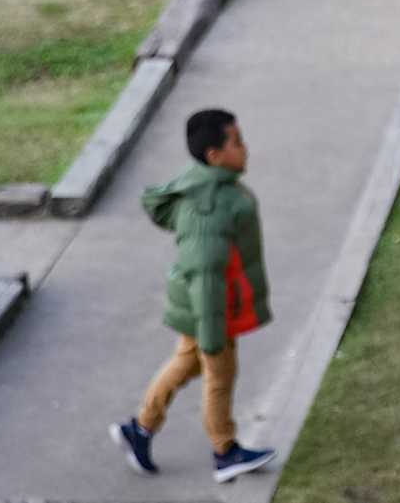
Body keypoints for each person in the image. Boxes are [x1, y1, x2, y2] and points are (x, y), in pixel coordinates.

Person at [112, 108, 277, 483]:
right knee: (219, 375)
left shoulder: (213, 188)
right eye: (237, 142)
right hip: (210, 310)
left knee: (186, 362)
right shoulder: (210, 207)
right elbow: (205, 272)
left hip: (206, 307)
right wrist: (213, 332)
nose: (245, 148)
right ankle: (225, 451)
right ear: (214, 156)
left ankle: (139, 428)